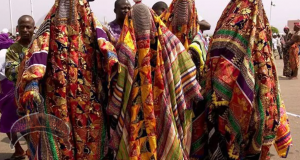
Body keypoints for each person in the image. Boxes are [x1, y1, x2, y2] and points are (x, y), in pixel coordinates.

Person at [15, 0, 118, 159]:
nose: (69, 14)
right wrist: (33, 84)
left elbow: (108, 51)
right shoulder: (47, 30)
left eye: (75, 7)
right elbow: (36, 56)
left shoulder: (93, 28)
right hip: (56, 96)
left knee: (89, 138)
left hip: (87, 96)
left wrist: (112, 64)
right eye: (64, 7)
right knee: (60, 139)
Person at [107, 1, 202, 159]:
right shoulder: (168, 41)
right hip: (159, 106)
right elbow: (188, 71)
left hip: (142, 109)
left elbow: (118, 87)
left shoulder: (126, 47)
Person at [202, 0, 292, 159]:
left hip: (220, 113)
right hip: (248, 116)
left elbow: (212, 73)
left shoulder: (223, 29)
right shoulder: (260, 36)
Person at [0, 33, 26, 160]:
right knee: (18, 119)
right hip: (16, 87)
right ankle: (25, 150)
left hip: (7, 89)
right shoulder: (13, 49)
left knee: (7, 122)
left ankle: (20, 150)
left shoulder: (2, 53)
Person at [5, 15, 35, 83]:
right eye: (22, 27)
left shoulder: (41, 45)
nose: (25, 30)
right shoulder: (13, 49)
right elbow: (10, 73)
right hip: (23, 90)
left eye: (28, 27)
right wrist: (30, 65)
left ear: (34, 28)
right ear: (17, 28)